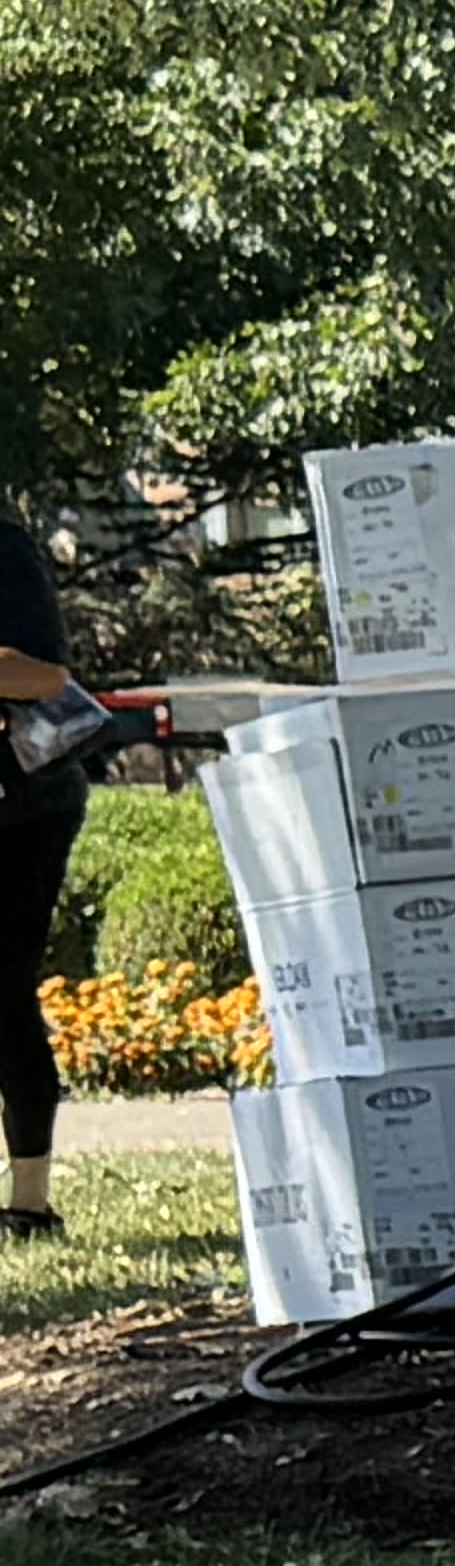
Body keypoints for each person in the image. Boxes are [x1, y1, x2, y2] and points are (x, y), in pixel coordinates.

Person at [4, 507, 98, 1241]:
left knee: (2, 991)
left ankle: (29, 1203)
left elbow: (45, 675)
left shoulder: (5, 549)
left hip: (22, 808)